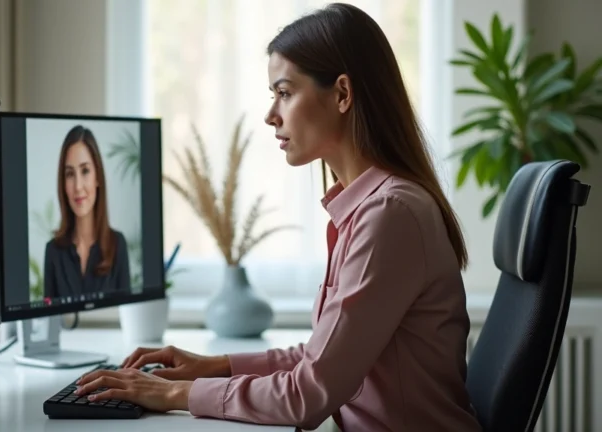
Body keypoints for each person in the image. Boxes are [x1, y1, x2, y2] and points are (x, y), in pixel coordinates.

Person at [73, 3, 483, 432]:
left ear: (343, 94)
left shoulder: (389, 215)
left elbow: (308, 395)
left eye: (284, 93)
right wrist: (213, 366)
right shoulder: (370, 207)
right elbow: (320, 360)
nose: (271, 115)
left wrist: (173, 393)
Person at [42, 125, 131, 300]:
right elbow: (49, 321)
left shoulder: (117, 245)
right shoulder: (52, 251)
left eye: (85, 171)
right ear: (63, 183)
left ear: (98, 177)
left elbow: (125, 317)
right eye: (69, 174)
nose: (78, 186)